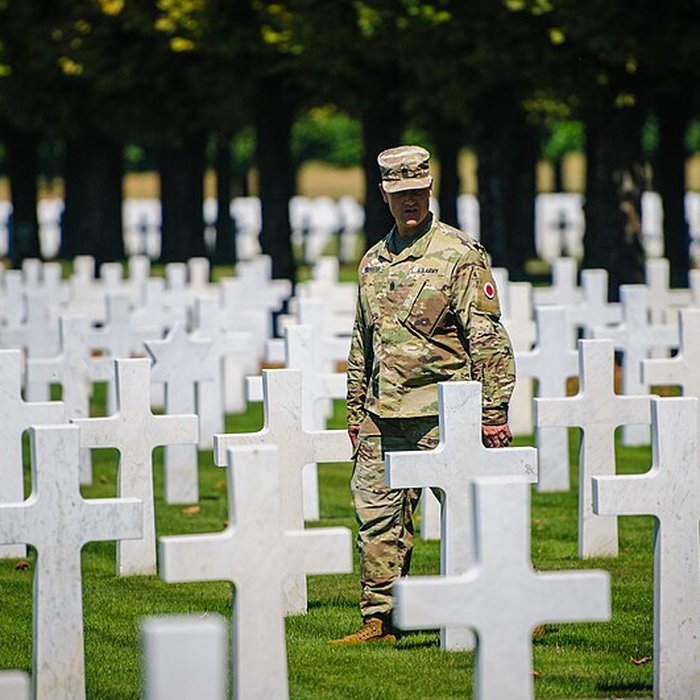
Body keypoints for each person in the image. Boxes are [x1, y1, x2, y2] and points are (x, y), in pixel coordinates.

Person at [330, 145, 515, 645]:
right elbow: (361, 342)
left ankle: (509, 600)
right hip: (382, 414)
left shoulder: (458, 254)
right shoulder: (372, 262)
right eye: (399, 194)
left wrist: (493, 412)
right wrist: (353, 409)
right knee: (375, 518)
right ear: (384, 196)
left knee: (473, 512)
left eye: (416, 192)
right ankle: (381, 619)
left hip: (444, 412)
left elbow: (487, 337)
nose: (409, 202)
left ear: (429, 190)